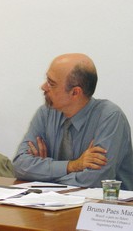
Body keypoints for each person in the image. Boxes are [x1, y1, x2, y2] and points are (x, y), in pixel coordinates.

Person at [13, 53, 133, 190]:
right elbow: (20, 166)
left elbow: (95, 181)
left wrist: (42, 173)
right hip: (54, 205)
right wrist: (72, 166)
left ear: (75, 92)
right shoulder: (45, 113)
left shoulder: (110, 117)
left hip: (104, 207)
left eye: (51, 84)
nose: (43, 87)